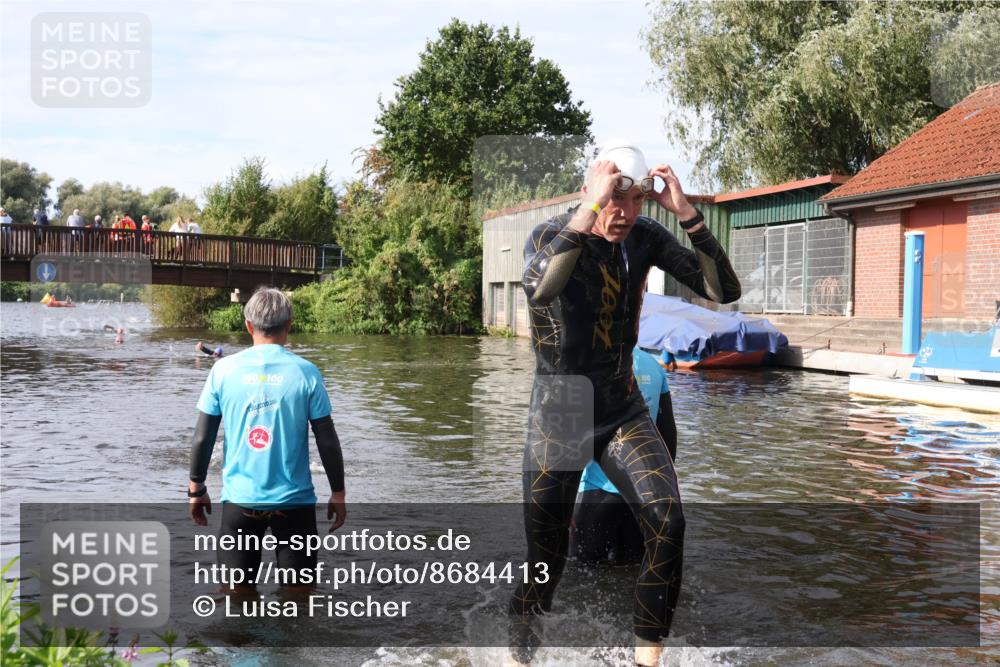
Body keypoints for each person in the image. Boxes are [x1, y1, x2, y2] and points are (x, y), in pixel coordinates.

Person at [508, 141, 741, 667]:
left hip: (620, 406)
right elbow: (542, 289)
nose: (627, 213)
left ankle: (646, 661)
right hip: (562, 408)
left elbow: (723, 289)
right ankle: (519, 658)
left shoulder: (644, 235)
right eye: (618, 200)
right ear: (594, 190)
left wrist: (686, 214)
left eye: (637, 201)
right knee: (546, 562)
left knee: (668, 523)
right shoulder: (550, 234)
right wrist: (590, 207)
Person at [187, 288, 347, 592]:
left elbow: (203, 437)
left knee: (236, 597)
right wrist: (338, 493)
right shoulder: (307, 373)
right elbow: (327, 438)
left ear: (248, 326)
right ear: (289, 324)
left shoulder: (223, 370)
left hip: (240, 503)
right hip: (295, 503)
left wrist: (196, 489)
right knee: (299, 599)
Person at [570, 347, 676, 565]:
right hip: (643, 495)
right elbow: (667, 435)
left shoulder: (585, 365)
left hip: (597, 492)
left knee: (580, 577)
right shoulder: (653, 365)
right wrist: (664, 491)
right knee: (631, 572)